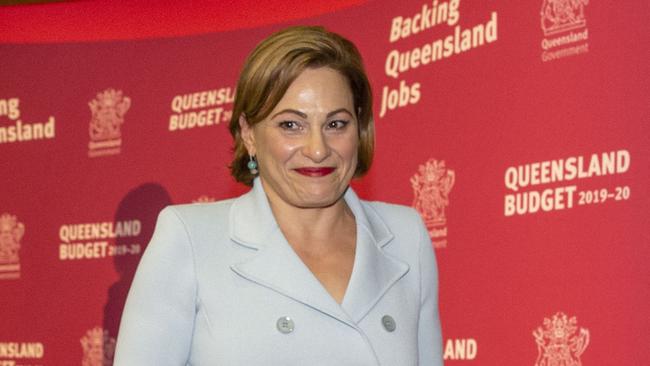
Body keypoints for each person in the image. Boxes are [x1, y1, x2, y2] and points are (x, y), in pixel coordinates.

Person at [113, 25, 442, 365]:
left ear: (359, 129)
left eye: (336, 124)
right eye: (291, 125)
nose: (318, 149)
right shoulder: (191, 240)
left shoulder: (406, 236)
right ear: (249, 134)